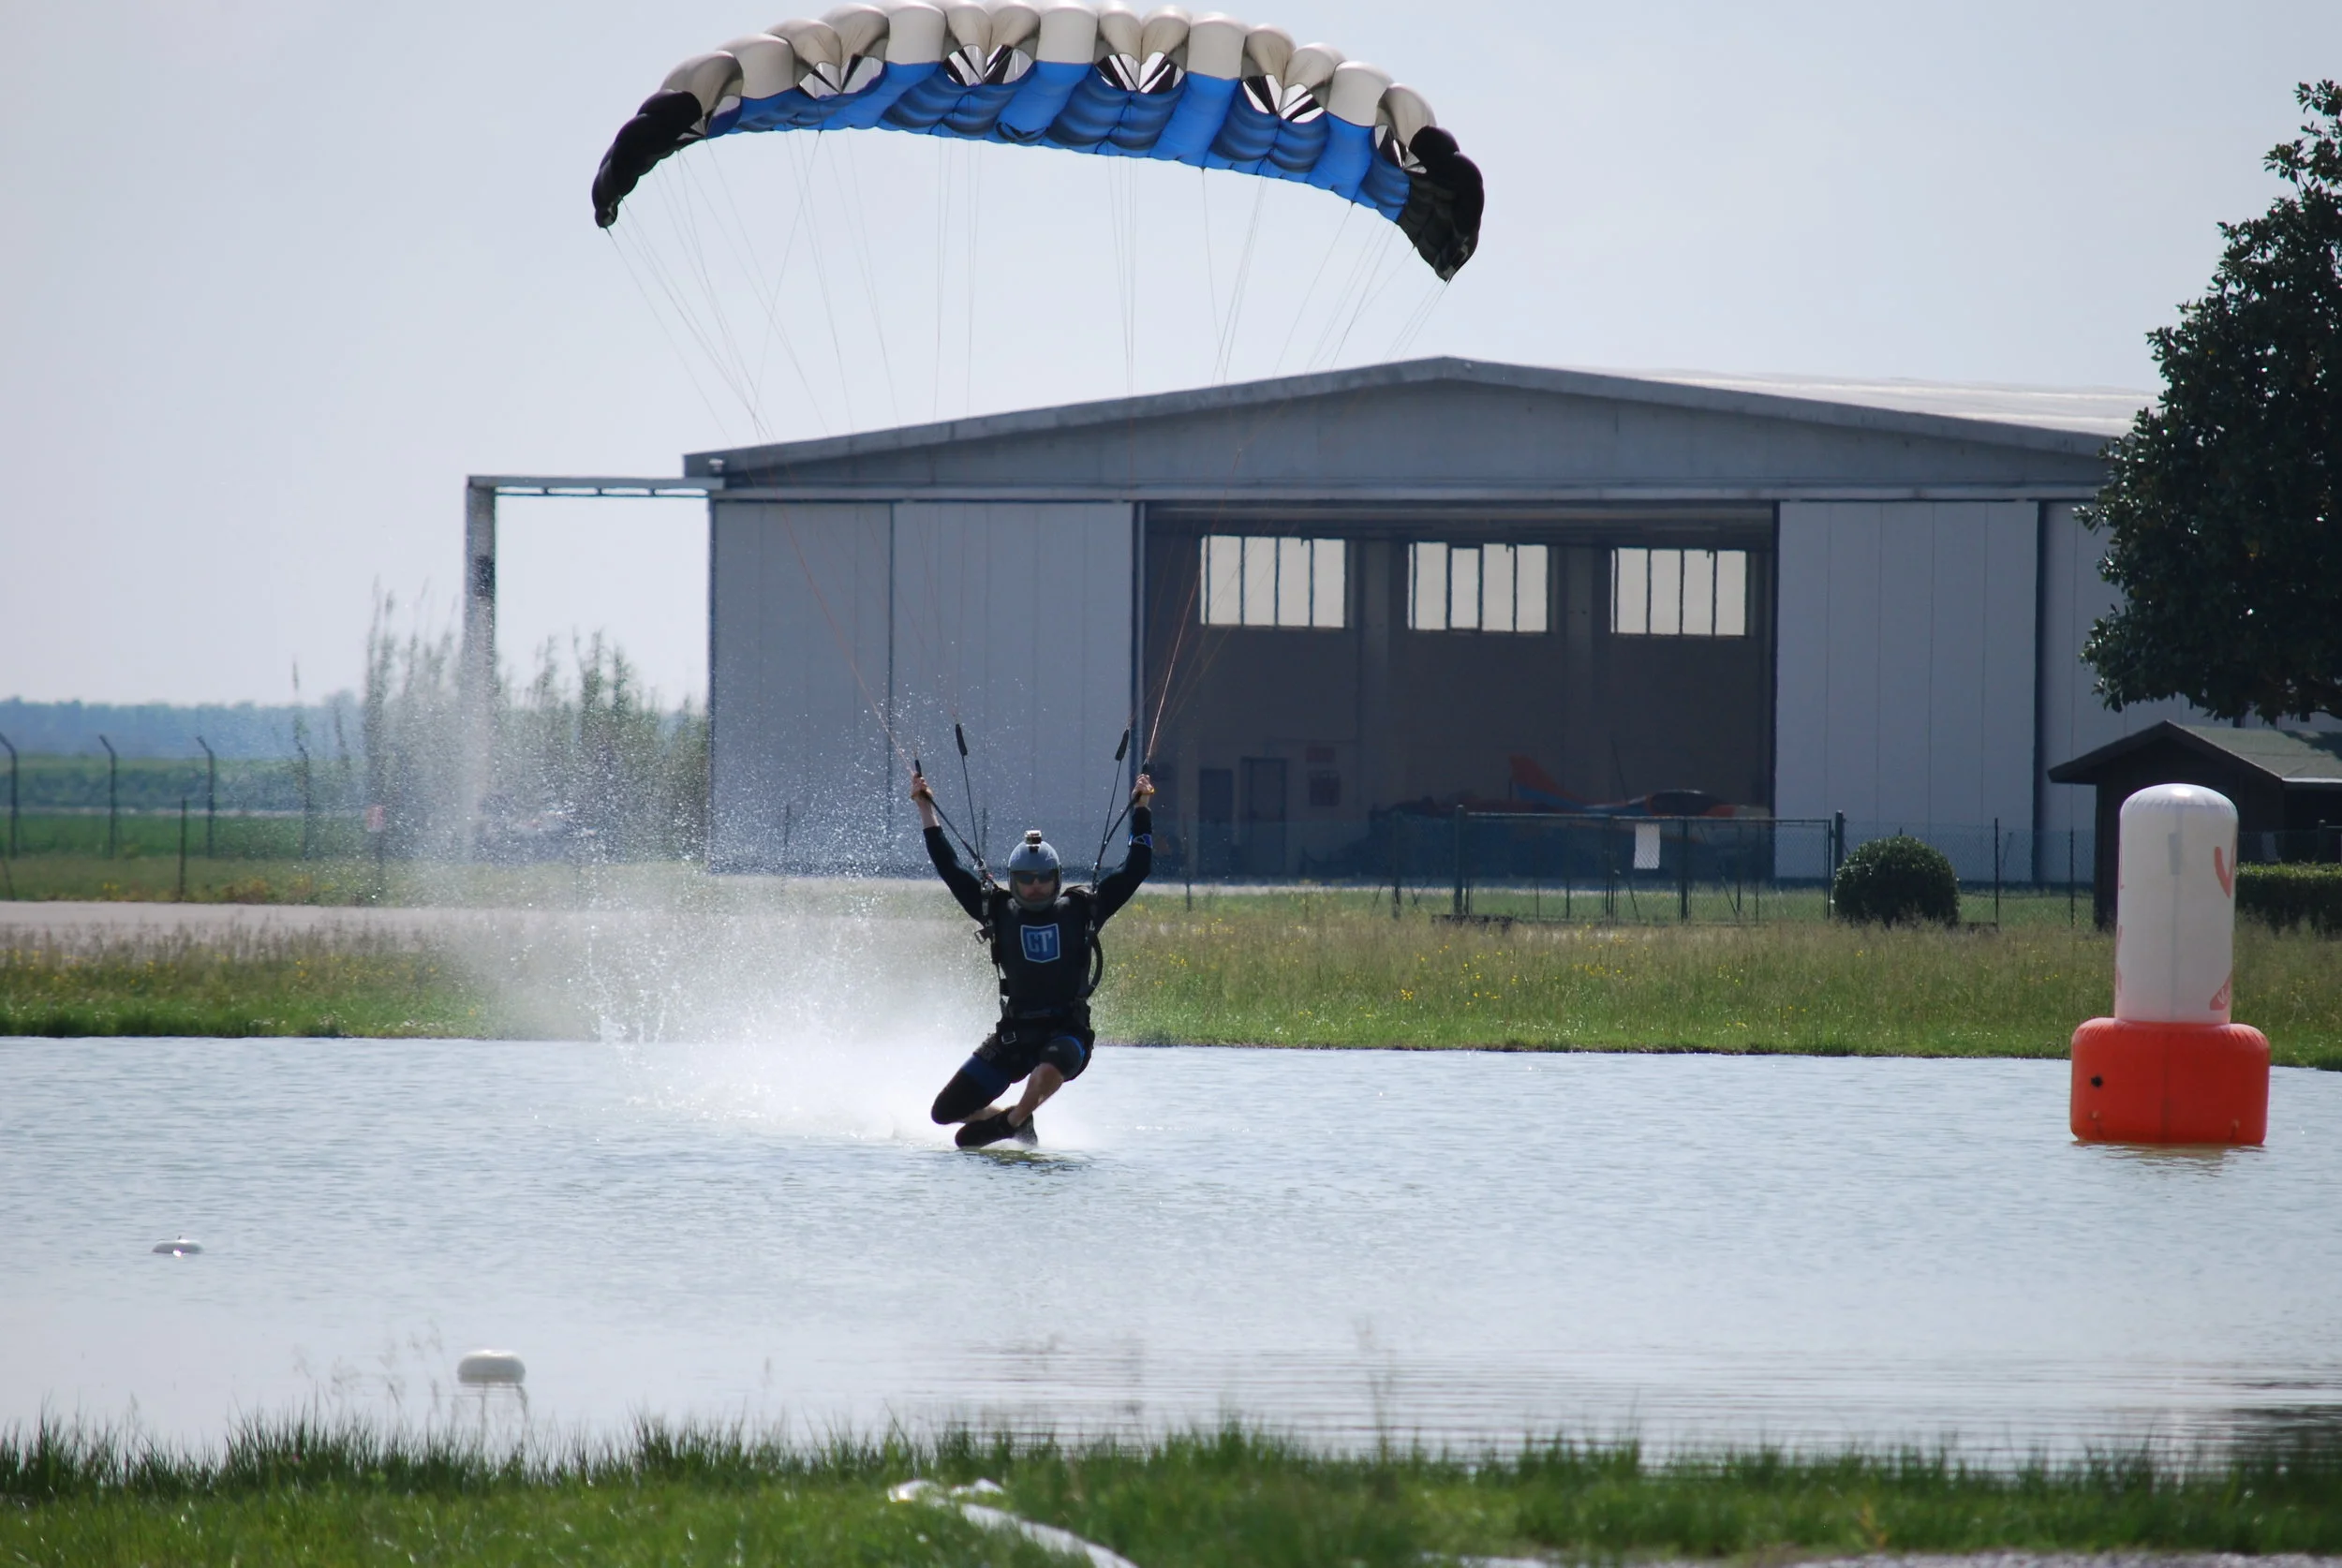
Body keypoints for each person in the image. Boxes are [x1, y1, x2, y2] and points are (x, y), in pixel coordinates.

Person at [911, 765, 1154, 1148]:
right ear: (1013, 879)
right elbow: (949, 865)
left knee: (1048, 1068)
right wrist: (925, 807)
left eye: (1043, 878)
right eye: (1026, 878)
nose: (1035, 886)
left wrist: (1142, 807)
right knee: (945, 1112)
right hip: (1015, 1035)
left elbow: (1136, 866)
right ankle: (1014, 1122)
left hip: (1067, 1032)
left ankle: (1012, 1121)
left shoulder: (1083, 908)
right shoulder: (996, 909)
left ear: (1056, 877)